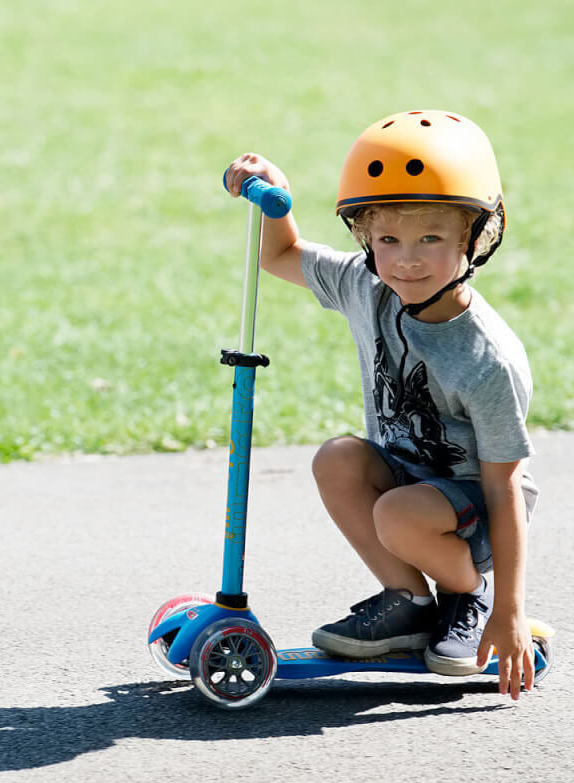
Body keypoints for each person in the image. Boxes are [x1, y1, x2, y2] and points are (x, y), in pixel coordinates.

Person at [224, 110, 539, 700]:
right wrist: (277, 197)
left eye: (431, 239)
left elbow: (505, 487)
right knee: (338, 458)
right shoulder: (368, 286)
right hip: (409, 484)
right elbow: (281, 255)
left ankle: (467, 600)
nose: (406, 260)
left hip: (477, 512)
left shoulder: (487, 359)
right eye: (387, 239)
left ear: (475, 240)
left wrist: (511, 610)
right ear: (366, 239)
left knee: (398, 512)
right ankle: (412, 601)